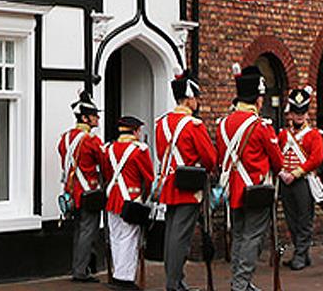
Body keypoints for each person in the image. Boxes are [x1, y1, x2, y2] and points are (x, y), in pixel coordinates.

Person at [216, 65, 280, 291]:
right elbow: (278, 161)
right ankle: (241, 284)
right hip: (256, 190)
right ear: (258, 99)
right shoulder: (261, 126)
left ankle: (239, 280)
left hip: (234, 189)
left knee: (240, 236)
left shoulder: (223, 124)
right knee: (252, 238)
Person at [154, 70, 218, 291]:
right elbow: (210, 158)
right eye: (196, 97)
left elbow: (161, 154)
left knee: (172, 234)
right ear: (189, 97)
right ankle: (174, 283)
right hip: (188, 187)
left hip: (170, 184)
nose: (197, 102)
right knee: (180, 238)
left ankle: (174, 279)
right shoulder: (194, 125)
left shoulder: (161, 124)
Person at [59, 92, 109, 283]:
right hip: (89, 191)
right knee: (88, 231)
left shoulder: (65, 139)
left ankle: (80, 266)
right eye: (94, 115)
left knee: (79, 231)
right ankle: (80, 271)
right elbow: (104, 164)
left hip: (71, 191)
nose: (98, 118)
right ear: (85, 118)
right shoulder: (91, 140)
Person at [276, 86, 323, 271]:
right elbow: (277, 154)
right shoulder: (283, 134)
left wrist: (295, 173)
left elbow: (316, 158)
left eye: (302, 112)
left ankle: (300, 254)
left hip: (302, 181)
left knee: (304, 219)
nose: (299, 116)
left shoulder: (313, 135)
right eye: (296, 112)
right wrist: (282, 172)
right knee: (291, 218)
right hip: (285, 180)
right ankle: (301, 251)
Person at [105, 115, 155, 290]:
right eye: (139, 130)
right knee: (129, 239)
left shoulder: (108, 148)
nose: (141, 134)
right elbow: (149, 178)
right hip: (131, 199)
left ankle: (118, 273)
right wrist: (145, 196)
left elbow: (106, 173)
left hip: (112, 198)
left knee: (116, 238)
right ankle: (124, 278)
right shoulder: (140, 150)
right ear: (134, 131)